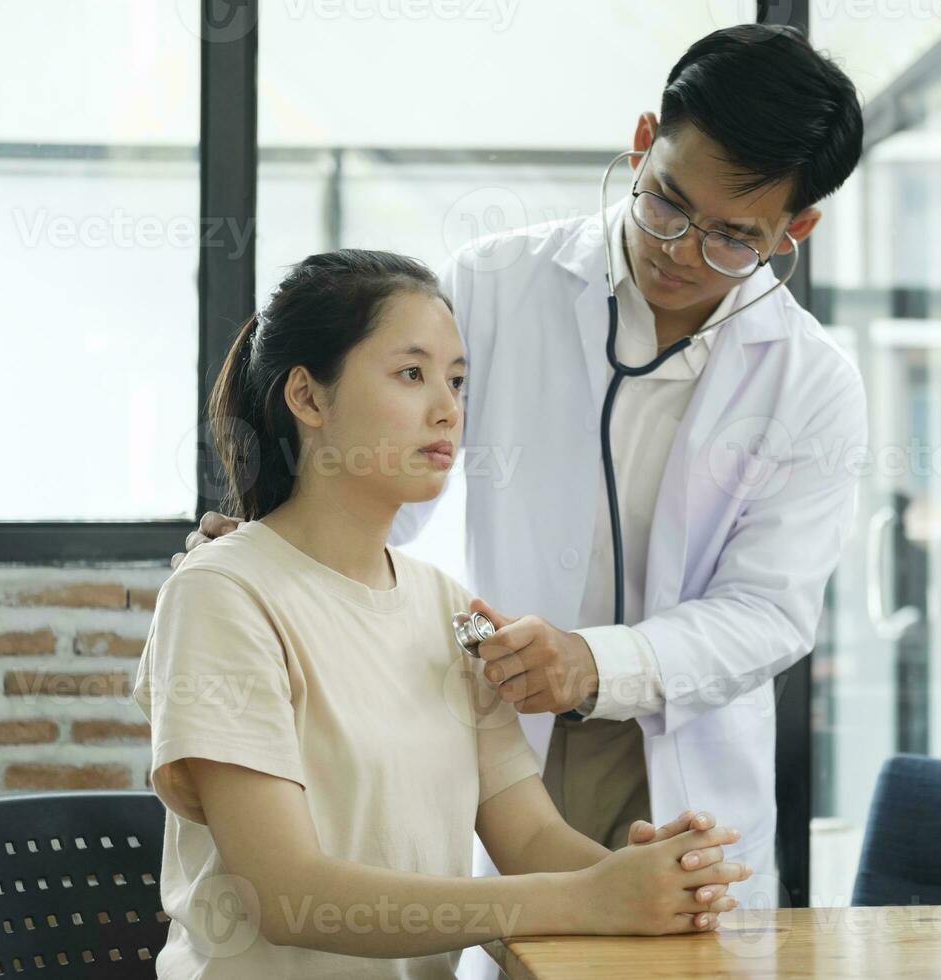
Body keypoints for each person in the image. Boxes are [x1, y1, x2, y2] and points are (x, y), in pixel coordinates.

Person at [181, 23, 868, 977]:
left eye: (731, 236)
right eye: (668, 201)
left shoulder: (813, 383)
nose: (681, 246)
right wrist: (275, 556)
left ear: (794, 231)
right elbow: (386, 471)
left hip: (675, 743)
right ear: (641, 144)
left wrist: (594, 664)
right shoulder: (495, 285)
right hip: (513, 716)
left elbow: (771, 613)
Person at [135, 249, 751, 979]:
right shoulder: (223, 595)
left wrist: (649, 882)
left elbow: (528, 837)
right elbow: (288, 895)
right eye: (411, 374)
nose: (447, 408)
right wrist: (586, 899)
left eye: (458, 381)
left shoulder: (450, 609)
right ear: (307, 397)